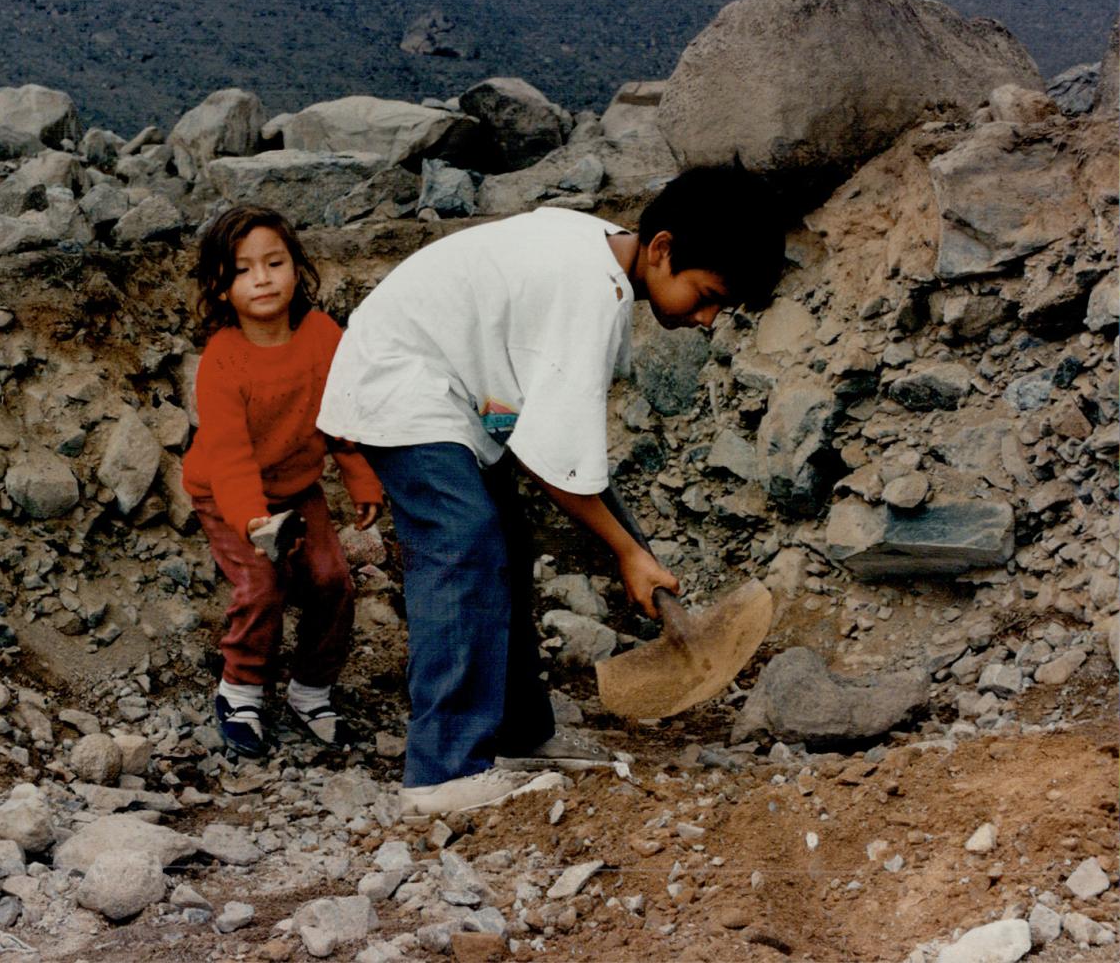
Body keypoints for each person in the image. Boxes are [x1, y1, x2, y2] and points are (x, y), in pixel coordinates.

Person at [317, 165, 786, 815]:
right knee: (463, 540)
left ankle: (516, 733)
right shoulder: (588, 295)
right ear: (661, 249)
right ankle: (441, 774)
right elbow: (554, 465)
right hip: (403, 376)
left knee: (501, 536)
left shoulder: (602, 253)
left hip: (471, 392)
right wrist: (628, 553)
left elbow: (558, 454)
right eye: (706, 294)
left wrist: (631, 547)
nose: (708, 319)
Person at [182, 205, 384, 759]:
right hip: (229, 495)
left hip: (299, 487)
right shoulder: (223, 361)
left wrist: (361, 477)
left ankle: (310, 689)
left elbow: (341, 416)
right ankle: (241, 689)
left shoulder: (321, 335)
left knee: (331, 580)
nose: (263, 278)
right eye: (243, 269)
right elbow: (228, 456)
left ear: (298, 269)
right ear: (220, 287)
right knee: (263, 586)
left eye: (275, 262)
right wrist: (252, 520)